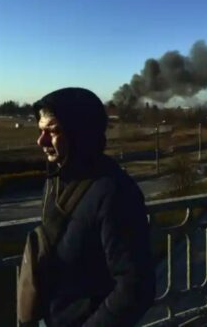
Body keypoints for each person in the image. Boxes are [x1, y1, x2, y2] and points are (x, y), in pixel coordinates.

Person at [31, 87, 155, 326]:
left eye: (53, 131)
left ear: (80, 134)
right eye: (40, 131)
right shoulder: (55, 180)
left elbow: (136, 286)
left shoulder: (116, 192)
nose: (41, 141)